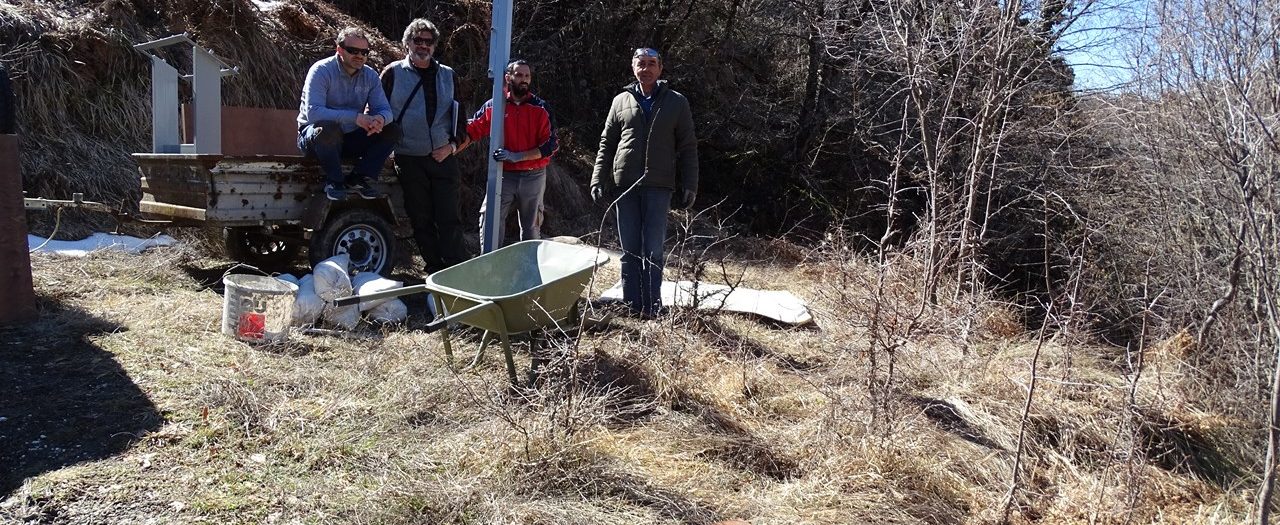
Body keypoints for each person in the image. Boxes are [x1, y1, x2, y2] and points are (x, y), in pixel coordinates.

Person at [590, 47, 699, 318]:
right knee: (629, 249)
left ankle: (652, 306)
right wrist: (598, 178)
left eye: (652, 64)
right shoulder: (620, 101)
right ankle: (631, 305)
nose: (646, 69)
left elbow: (687, 146)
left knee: (652, 248)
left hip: (658, 185)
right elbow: (607, 143)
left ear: (660, 69)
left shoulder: (676, 102)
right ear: (633, 67)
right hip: (624, 185)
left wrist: (690, 183)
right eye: (641, 64)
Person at [380, 19, 469, 273]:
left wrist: (451, 147)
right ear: (407, 43)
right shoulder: (392, 73)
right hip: (408, 158)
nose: (423, 46)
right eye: (417, 40)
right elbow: (376, 112)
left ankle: (456, 271)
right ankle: (434, 269)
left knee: (450, 218)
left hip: (443, 158)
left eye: (428, 42)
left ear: (435, 46)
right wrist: (385, 150)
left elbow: (461, 121)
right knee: (421, 220)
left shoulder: (449, 75)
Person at [297, 27, 400, 201]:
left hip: (348, 138)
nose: (359, 56)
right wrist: (355, 117)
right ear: (339, 49)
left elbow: (385, 110)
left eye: (364, 52)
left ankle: (359, 178)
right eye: (353, 51)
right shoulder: (321, 70)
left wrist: (380, 120)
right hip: (315, 139)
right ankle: (334, 181)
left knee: (393, 130)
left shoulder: (370, 76)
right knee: (328, 129)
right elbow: (314, 113)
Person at [464, 59, 558, 247]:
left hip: (533, 175)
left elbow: (551, 145)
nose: (524, 79)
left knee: (531, 227)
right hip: (503, 174)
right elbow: (472, 129)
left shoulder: (540, 108)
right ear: (508, 77)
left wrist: (518, 156)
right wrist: (449, 143)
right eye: (519, 75)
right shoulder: (495, 105)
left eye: (527, 76)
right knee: (490, 218)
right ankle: (489, 265)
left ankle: (529, 270)